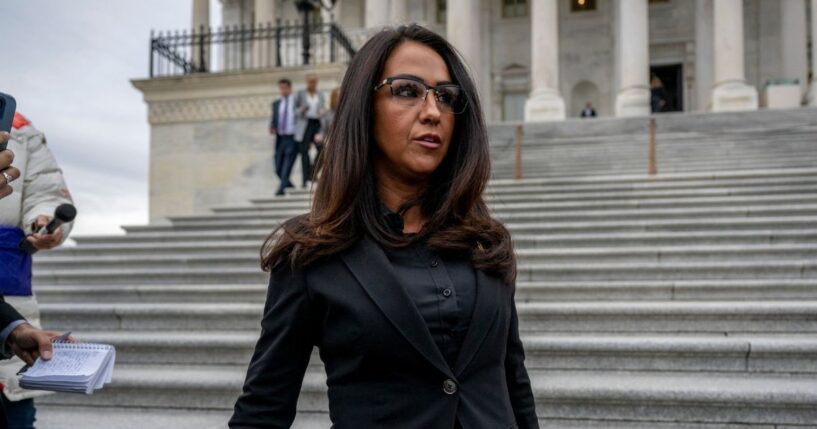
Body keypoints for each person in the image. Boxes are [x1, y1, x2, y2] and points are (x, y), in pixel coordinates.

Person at [230, 24, 539, 429]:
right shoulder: (311, 253)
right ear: (364, 106)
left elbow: (513, 382)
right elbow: (263, 410)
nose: (433, 112)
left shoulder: (486, 242)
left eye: (446, 97)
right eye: (407, 90)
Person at [0, 113, 74, 429]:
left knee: (14, 414)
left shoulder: (20, 130)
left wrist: (43, 221)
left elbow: (46, 191)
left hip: (8, 302)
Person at [293, 73, 326, 188]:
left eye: (314, 81)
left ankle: (312, 173)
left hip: (316, 124)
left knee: (322, 150)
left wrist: (322, 111)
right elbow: (294, 111)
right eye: (311, 81)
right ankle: (304, 180)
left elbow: (323, 109)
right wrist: (302, 110)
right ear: (307, 82)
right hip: (305, 124)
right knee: (304, 153)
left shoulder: (320, 94)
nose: (313, 84)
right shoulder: (300, 94)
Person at [270, 78, 298, 196]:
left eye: (285, 88)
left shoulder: (296, 102)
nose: (283, 90)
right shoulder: (276, 104)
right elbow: (274, 120)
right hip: (280, 139)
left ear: (290, 88)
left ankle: (280, 190)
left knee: (287, 164)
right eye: (281, 88)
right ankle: (288, 184)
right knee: (277, 168)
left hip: (292, 138)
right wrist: (272, 127)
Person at [312, 87, 340, 175]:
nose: (339, 99)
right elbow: (323, 128)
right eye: (337, 96)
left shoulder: (349, 113)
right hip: (331, 144)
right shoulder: (328, 113)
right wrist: (320, 135)